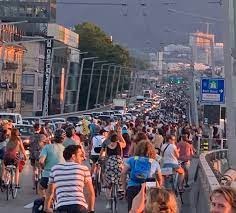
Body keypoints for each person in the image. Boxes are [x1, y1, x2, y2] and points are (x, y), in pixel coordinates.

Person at [44, 145, 95, 213]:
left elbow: (50, 192)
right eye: (80, 156)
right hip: (79, 207)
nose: (83, 158)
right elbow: (91, 193)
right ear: (73, 156)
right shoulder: (83, 169)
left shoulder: (55, 169)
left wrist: (46, 208)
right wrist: (91, 210)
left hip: (61, 207)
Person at [121, 140, 163, 212]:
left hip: (133, 187)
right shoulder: (154, 162)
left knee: (132, 209)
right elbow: (159, 178)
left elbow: (123, 173)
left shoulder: (132, 159)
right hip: (149, 189)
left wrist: (124, 187)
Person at [38, 129, 65, 197]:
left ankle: (44, 199)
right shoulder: (65, 149)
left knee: (40, 188)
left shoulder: (47, 147)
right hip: (61, 176)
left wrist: (43, 167)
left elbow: (41, 161)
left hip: (48, 175)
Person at [104, 127, 126, 208]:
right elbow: (125, 143)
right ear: (117, 140)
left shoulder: (107, 145)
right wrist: (120, 134)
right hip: (118, 164)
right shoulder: (119, 144)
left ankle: (109, 201)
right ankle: (121, 188)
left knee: (108, 182)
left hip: (110, 164)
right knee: (122, 176)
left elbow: (106, 156)